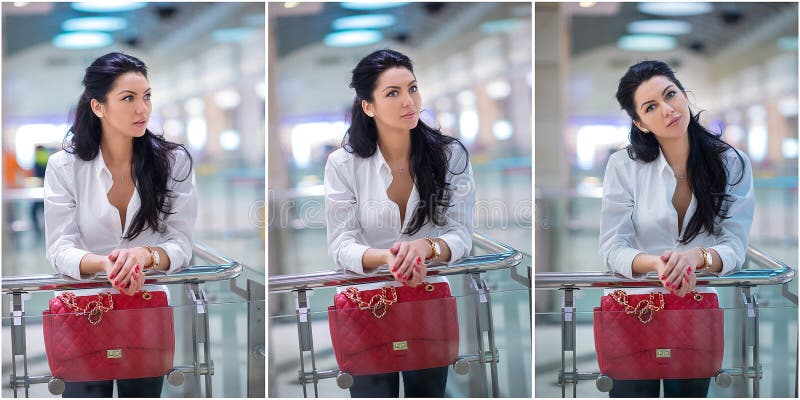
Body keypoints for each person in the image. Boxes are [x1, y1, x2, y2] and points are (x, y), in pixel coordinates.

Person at [44, 52, 197, 398]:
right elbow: (59, 248)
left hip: (145, 309)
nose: (142, 109)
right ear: (99, 107)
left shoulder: (173, 162)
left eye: (146, 96)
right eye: (128, 98)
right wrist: (108, 263)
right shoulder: (64, 166)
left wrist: (146, 255)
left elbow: (181, 243)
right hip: (82, 310)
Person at [324, 49, 475, 398]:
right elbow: (340, 243)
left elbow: (461, 233)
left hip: (426, 300)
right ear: (368, 106)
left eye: (412, 88)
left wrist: (427, 247)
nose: (409, 101)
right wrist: (388, 258)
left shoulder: (449, 155)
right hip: (365, 303)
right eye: (392, 93)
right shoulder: (343, 164)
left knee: (429, 392)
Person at [599, 60, 754, 397]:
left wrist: (697, 257)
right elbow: (613, 246)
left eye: (671, 95)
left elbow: (735, 245)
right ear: (640, 123)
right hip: (632, 308)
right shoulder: (623, 166)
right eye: (651, 107)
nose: (668, 109)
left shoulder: (732, 162)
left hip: (695, 310)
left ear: (684, 94)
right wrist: (658, 265)